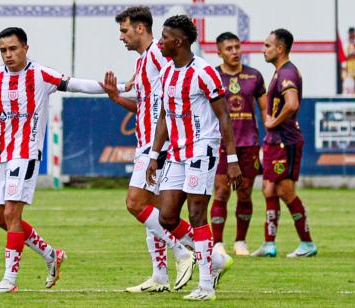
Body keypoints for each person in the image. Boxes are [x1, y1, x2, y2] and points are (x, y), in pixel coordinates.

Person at [0, 27, 127, 293]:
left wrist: (119, 88)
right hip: (1, 155)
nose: (8, 54)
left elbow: (76, 84)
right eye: (3, 50)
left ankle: (9, 280)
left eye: (13, 48)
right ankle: (51, 254)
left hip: (26, 153)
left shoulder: (41, 75)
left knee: (12, 213)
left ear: (25, 48)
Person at [145, 15, 242, 301]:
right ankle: (214, 258)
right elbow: (164, 115)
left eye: (165, 37)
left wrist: (233, 159)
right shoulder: (166, 73)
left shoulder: (204, 71)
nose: (160, 42)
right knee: (166, 217)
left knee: (198, 213)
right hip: (175, 152)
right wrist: (154, 155)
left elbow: (224, 115)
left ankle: (206, 286)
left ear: (181, 41)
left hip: (202, 149)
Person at [101, 6, 195, 293]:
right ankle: (161, 275)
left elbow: (175, 90)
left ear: (141, 28)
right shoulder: (143, 62)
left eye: (124, 30)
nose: (121, 37)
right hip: (148, 143)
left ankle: (186, 252)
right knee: (152, 212)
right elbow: (143, 104)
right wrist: (117, 97)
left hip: (159, 145)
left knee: (135, 204)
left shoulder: (157, 54)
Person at [251, 28, 317, 258]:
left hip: (284, 142)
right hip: (274, 141)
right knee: (268, 188)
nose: (263, 50)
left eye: (267, 46)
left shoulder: (287, 73)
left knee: (285, 191)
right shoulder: (280, 72)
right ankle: (269, 244)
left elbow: (293, 104)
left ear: (280, 49)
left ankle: (307, 243)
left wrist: (272, 122)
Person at [210, 32, 268, 256]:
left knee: (244, 193)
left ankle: (241, 241)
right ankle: (217, 243)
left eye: (237, 47)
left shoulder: (254, 76)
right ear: (219, 52)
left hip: (249, 143)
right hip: (222, 144)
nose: (234, 52)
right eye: (229, 48)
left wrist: (268, 135)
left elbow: (264, 110)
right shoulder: (213, 76)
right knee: (222, 191)